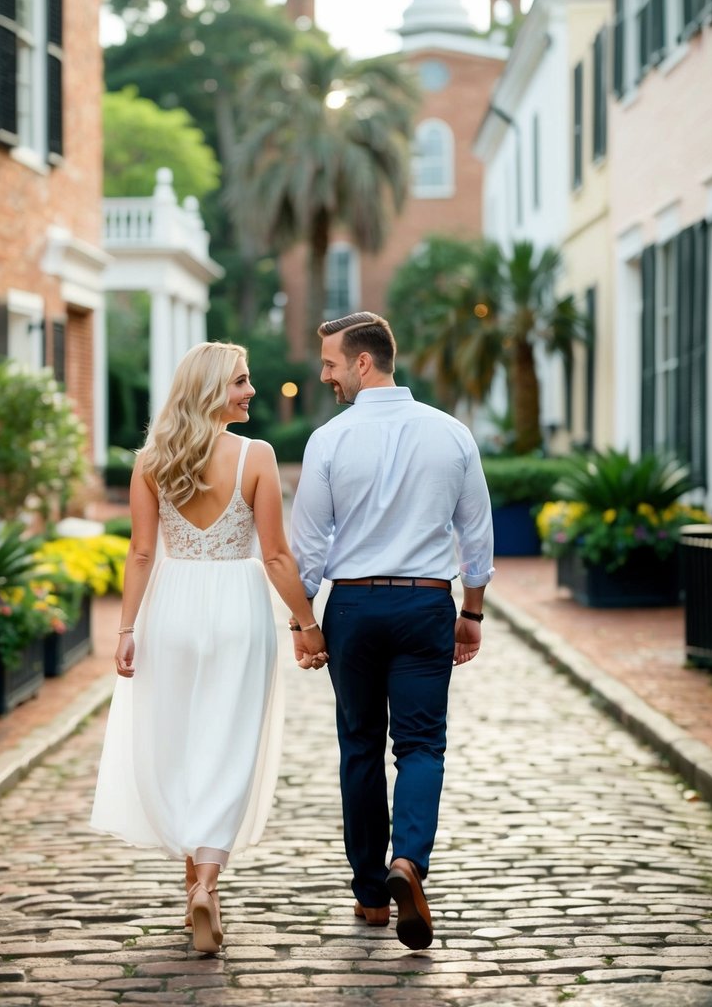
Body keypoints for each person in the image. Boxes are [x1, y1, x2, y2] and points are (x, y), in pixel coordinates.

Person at [90, 341, 327, 954]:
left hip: (170, 606)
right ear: (212, 390)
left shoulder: (152, 459)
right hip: (236, 608)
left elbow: (141, 553)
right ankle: (209, 884)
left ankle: (193, 885)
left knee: (182, 740)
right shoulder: (256, 456)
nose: (251, 392)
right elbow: (275, 555)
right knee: (227, 742)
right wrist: (306, 623)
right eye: (241, 382)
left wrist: (126, 630)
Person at [289, 312, 492, 951]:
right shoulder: (451, 433)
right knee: (422, 745)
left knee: (359, 746)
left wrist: (306, 621)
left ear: (363, 362)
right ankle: (410, 861)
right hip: (426, 604)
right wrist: (473, 611)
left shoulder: (328, 439)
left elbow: (308, 545)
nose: (325, 376)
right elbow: (476, 532)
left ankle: (372, 897)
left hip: (351, 608)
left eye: (330, 364)